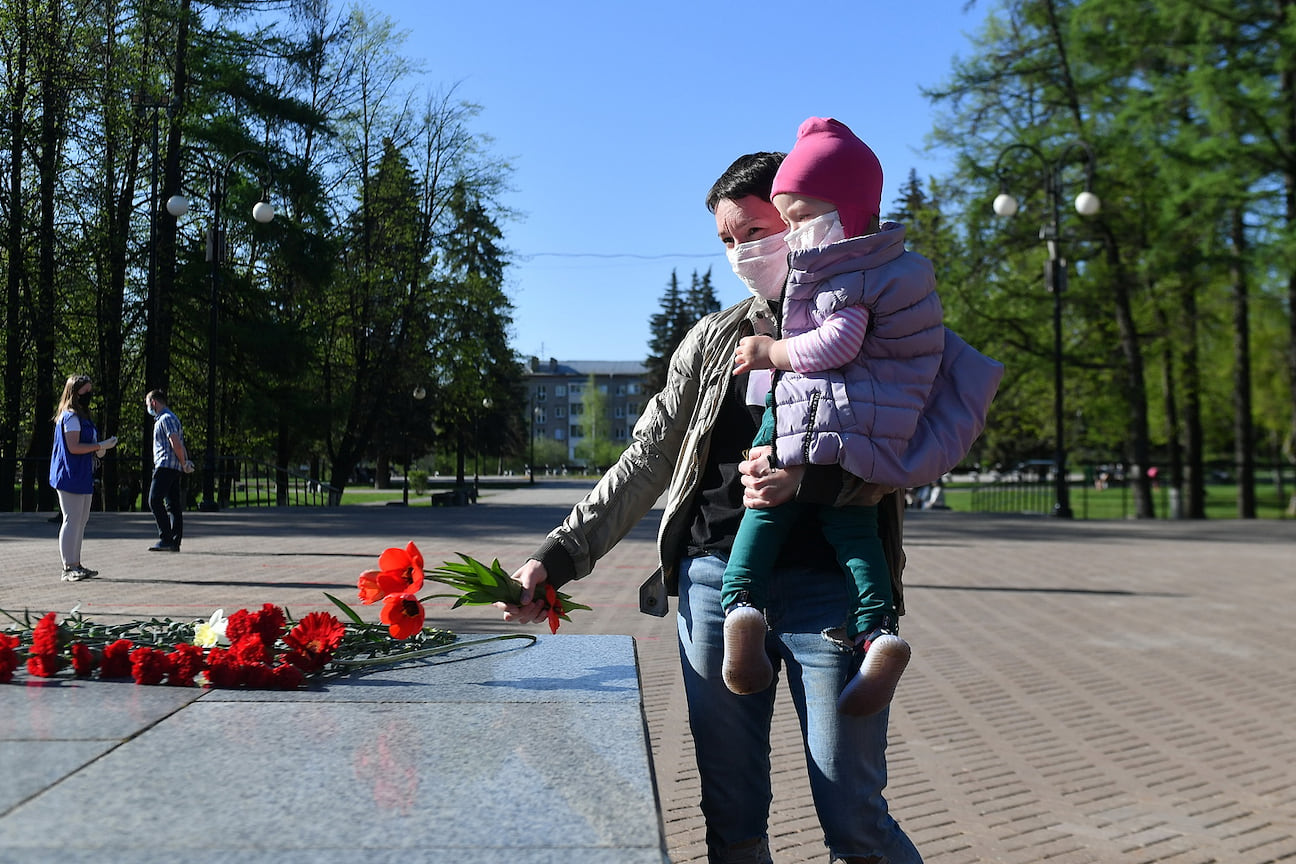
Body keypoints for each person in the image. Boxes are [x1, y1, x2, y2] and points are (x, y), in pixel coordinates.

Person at [500, 150, 923, 864]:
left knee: (854, 816)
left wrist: (810, 486)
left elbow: (909, 447)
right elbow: (649, 457)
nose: (742, 252)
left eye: (755, 231)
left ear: (802, 220)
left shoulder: (868, 328)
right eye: (726, 241)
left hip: (835, 587)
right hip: (717, 588)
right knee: (732, 819)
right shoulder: (713, 340)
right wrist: (557, 555)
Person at [722, 117, 1001, 716]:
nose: (791, 239)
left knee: (764, 504)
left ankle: (741, 604)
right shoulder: (902, 272)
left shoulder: (846, 275)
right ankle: (879, 633)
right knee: (854, 533)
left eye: (796, 221)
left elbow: (835, 347)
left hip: (827, 423)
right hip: (876, 439)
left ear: (846, 212)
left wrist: (772, 351)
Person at [50, 375, 117, 581]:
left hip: (83, 472)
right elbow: (73, 447)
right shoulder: (69, 416)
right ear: (74, 392)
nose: (89, 395)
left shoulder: (83, 416)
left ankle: (76, 563)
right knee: (71, 519)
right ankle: (67, 567)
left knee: (81, 520)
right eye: (85, 391)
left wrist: (99, 449)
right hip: (70, 473)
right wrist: (100, 446)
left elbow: (86, 444)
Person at [145, 389, 194, 552]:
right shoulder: (171, 417)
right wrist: (184, 463)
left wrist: (183, 462)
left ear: (154, 403)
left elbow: (176, 443)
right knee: (173, 504)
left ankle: (166, 538)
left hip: (165, 465)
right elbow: (180, 443)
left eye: (148, 404)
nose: (148, 408)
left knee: (154, 500)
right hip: (174, 467)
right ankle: (174, 541)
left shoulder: (165, 418)